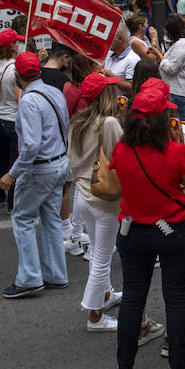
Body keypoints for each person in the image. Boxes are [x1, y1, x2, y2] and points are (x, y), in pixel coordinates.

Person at [112, 78, 185, 369]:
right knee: (176, 299)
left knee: (133, 297)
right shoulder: (175, 152)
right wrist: (177, 138)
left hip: (133, 230)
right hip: (174, 229)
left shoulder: (121, 150)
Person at [0, 51, 72, 299]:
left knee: (23, 218)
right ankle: (56, 274)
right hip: (59, 162)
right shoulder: (54, 92)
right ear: (38, 71)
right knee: (50, 218)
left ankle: (29, 278)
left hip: (40, 168)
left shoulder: (29, 101)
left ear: (18, 76)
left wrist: (12, 174)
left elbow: (30, 146)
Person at [68, 72, 125, 331]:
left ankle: (106, 294)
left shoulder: (77, 121)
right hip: (105, 200)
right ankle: (95, 316)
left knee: (97, 253)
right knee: (102, 258)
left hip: (84, 196)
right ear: (105, 95)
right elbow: (120, 156)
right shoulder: (109, 122)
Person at [0, 29, 23, 212]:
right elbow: (19, 98)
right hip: (12, 119)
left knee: (2, 158)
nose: (19, 45)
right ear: (11, 46)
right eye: (16, 42)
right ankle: (12, 204)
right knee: (15, 162)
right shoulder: (15, 67)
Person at [159, 15, 185, 117]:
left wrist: (160, 57)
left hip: (177, 90)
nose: (164, 31)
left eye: (166, 29)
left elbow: (171, 68)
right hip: (177, 89)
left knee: (184, 121)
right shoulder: (183, 43)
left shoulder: (182, 45)